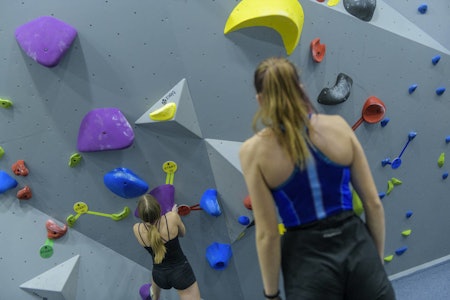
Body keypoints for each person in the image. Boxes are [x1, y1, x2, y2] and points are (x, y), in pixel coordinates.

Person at [239, 57, 396, 300]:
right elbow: (373, 204)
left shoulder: (253, 152)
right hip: (357, 249)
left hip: (307, 264)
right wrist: (374, 265)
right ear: (301, 89)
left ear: (260, 101)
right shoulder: (339, 127)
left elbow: (267, 234)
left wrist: (271, 295)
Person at [133, 194, 201, 300]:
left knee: (155, 292)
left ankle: (153, 296)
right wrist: (174, 215)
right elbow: (182, 234)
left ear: (141, 216)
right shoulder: (172, 218)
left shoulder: (136, 229)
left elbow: (154, 236)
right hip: (181, 274)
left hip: (159, 276)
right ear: (159, 209)